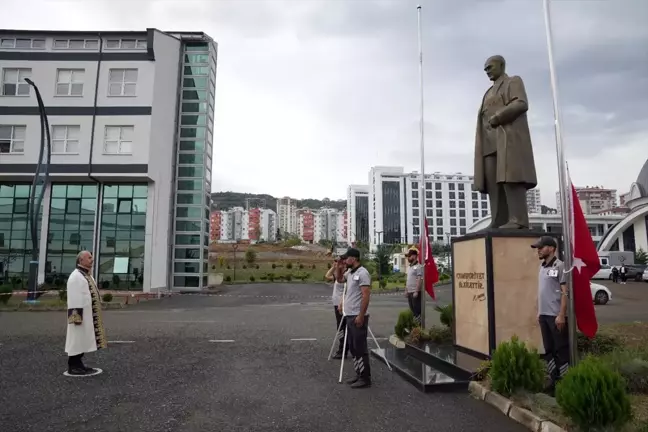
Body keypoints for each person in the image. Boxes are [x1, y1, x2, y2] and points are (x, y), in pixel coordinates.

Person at [531, 236, 569, 394]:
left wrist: (561, 315)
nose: (538, 250)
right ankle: (554, 381)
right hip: (544, 315)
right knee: (548, 350)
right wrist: (538, 311)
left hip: (555, 316)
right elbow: (541, 291)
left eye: (541, 247)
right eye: (538, 248)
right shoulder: (542, 267)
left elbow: (564, 293)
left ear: (552, 248)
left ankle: (566, 382)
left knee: (560, 350)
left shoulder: (560, 266)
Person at [65, 250, 107, 376]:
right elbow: (74, 298)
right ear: (80, 260)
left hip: (87, 316)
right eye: (89, 257)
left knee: (82, 340)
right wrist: (76, 318)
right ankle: (73, 365)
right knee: (77, 340)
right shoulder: (76, 276)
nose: (92, 259)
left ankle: (79, 364)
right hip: (79, 316)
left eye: (91, 257)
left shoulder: (85, 275)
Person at [338, 247, 372, 388]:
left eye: (347, 258)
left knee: (360, 347)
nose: (345, 260)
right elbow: (340, 280)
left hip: (357, 316)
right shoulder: (350, 273)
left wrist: (361, 315)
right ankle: (358, 374)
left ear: (354, 258)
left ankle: (365, 378)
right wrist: (339, 267)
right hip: (349, 315)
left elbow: (366, 295)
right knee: (353, 347)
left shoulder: (363, 273)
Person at [325, 256, 349, 359]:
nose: (338, 264)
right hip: (336, 304)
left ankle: (342, 350)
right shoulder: (338, 275)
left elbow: (348, 291)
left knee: (342, 328)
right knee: (340, 328)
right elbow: (327, 276)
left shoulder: (346, 276)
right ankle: (343, 348)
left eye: (340, 263)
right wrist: (334, 267)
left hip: (342, 305)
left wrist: (342, 302)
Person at [404, 248, 423, 325]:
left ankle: (418, 327)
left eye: (409, 256)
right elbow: (407, 279)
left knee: (417, 310)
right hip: (409, 292)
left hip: (415, 292)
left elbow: (419, 279)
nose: (408, 258)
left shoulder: (419, 267)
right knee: (412, 310)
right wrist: (406, 290)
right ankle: (414, 328)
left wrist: (416, 291)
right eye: (408, 256)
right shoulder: (409, 267)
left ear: (414, 256)